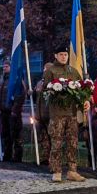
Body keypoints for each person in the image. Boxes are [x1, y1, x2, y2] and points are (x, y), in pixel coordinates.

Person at [35, 45, 87, 183]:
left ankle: (72, 171)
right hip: (57, 114)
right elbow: (45, 91)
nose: (64, 57)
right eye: (61, 55)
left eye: (65, 54)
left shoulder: (73, 71)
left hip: (72, 113)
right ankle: (56, 171)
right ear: (56, 56)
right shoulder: (50, 71)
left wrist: (85, 101)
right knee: (56, 143)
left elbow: (81, 89)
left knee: (72, 143)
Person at [0, 60, 26, 162]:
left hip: (13, 112)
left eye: (7, 66)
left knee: (16, 134)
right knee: (5, 134)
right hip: (3, 112)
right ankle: (7, 155)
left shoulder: (16, 79)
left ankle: (18, 157)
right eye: (3, 66)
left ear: (11, 67)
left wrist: (14, 110)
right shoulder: (1, 80)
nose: (4, 68)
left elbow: (20, 95)